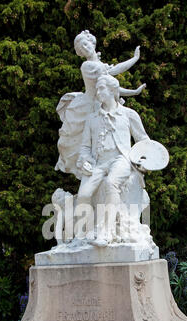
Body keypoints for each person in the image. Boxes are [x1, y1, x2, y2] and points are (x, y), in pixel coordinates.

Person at [55, 30, 146, 179]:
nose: (85, 48)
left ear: (92, 43)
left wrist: (133, 92)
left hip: (103, 103)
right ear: (80, 52)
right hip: (89, 106)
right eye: (81, 47)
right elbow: (114, 73)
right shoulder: (87, 66)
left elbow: (112, 87)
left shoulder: (99, 65)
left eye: (86, 44)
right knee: (88, 144)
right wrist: (134, 59)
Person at [75, 74, 151, 246]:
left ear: (112, 90)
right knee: (84, 195)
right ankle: (87, 234)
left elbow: (143, 140)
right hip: (98, 163)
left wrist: (142, 161)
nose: (97, 91)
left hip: (121, 160)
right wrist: (85, 160)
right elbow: (85, 147)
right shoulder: (92, 119)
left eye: (101, 88)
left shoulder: (128, 115)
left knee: (111, 184)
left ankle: (106, 232)